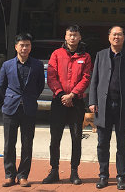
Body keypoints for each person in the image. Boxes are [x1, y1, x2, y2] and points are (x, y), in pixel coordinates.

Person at [89, 26, 125, 190]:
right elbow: (94, 80)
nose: (116, 37)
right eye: (114, 34)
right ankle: (103, 175)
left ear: (124, 37)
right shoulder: (101, 55)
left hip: (123, 107)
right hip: (103, 106)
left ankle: (121, 176)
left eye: (119, 34)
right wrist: (92, 101)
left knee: (122, 144)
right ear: (109, 37)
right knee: (102, 143)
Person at [42, 25, 92, 186]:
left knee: (76, 137)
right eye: (70, 35)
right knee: (55, 137)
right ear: (65, 36)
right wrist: (61, 94)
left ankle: (74, 171)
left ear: (79, 37)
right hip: (59, 101)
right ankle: (54, 170)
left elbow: (86, 78)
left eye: (75, 35)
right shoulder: (57, 54)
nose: (72, 38)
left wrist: (72, 94)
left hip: (76, 102)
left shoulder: (85, 56)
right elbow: (51, 76)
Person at [0, 32, 45, 187]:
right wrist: (11, 98)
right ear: (16, 47)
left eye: (27, 45)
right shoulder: (7, 65)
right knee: (9, 144)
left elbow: (40, 86)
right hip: (10, 109)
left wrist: (29, 98)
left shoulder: (37, 65)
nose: (25, 48)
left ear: (31, 47)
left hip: (29, 109)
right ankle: (9, 175)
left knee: (27, 143)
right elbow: (1, 86)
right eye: (22, 45)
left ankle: (23, 175)